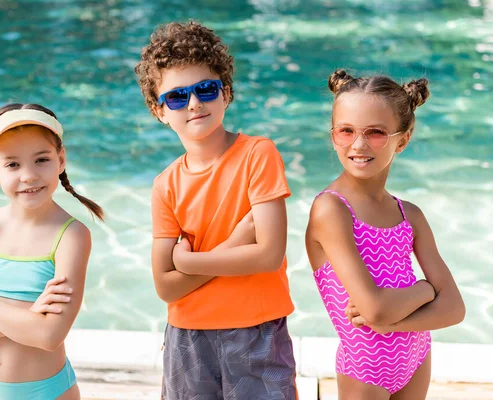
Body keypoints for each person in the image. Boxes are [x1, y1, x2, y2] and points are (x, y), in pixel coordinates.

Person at [134, 21, 297, 399]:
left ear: (226, 93)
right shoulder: (165, 185)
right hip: (188, 335)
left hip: (258, 330)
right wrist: (237, 242)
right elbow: (164, 285)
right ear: (160, 111)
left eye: (205, 89)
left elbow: (269, 255)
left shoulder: (259, 155)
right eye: (176, 96)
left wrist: (190, 263)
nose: (193, 103)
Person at [305, 70, 466, 400]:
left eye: (376, 133)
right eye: (346, 131)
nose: (359, 145)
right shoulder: (331, 210)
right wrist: (424, 290)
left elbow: (455, 308)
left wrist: (397, 317)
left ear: (402, 140)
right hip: (366, 367)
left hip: (417, 355)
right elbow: (375, 309)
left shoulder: (410, 215)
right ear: (333, 133)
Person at [0, 103, 103, 400]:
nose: (28, 175)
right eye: (13, 164)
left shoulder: (72, 236)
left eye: (41, 160)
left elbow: (49, 336)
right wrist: (28, 317)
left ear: (61, 159)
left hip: (46, 391)